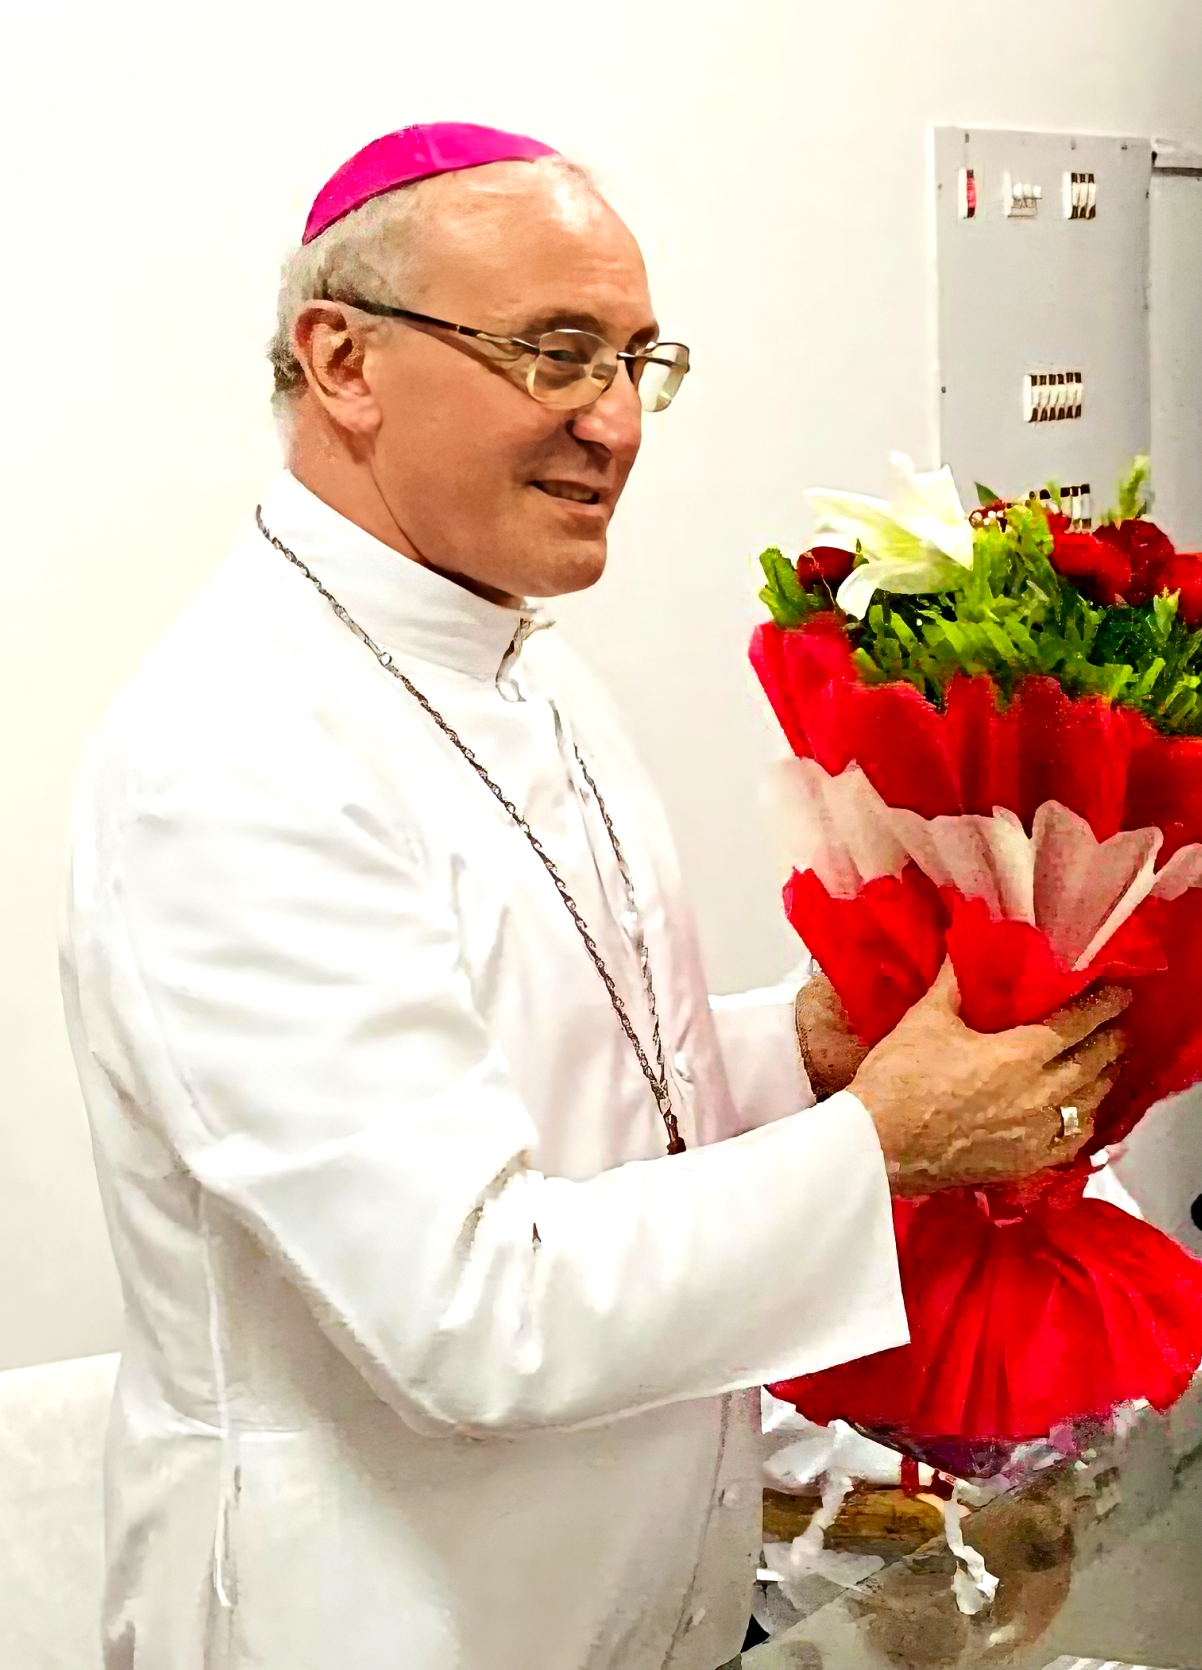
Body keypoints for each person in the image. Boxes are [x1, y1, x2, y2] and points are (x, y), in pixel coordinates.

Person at [58, 122, 1127, 1670]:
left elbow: (589, 1101)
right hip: (385, 1618)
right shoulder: (236, 753)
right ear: (344, 360)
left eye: (637, 360)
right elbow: (471, 1308)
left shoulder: (524, 662)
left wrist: (802, 1050)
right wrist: (883, 1142)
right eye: (556, 354)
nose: (616, 422)